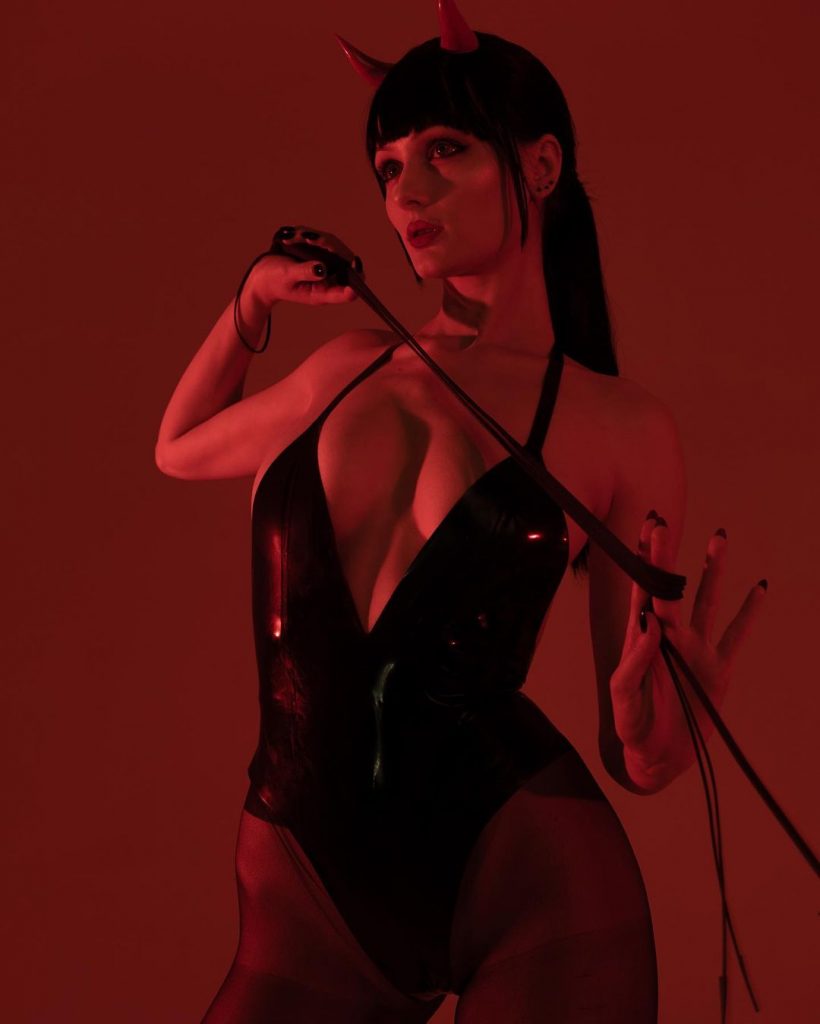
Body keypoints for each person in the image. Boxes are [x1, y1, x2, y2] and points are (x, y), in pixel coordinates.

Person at [155, 5, 765, 1021]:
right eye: (389, 166)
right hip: (308, 896)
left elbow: (635, 752)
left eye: (444, 150)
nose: (406, 192)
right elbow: (178, 446)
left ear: (540, 165)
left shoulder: (619, 425)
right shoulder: (344, 368)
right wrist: (249, 304)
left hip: (527, 882)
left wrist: (662, 736)